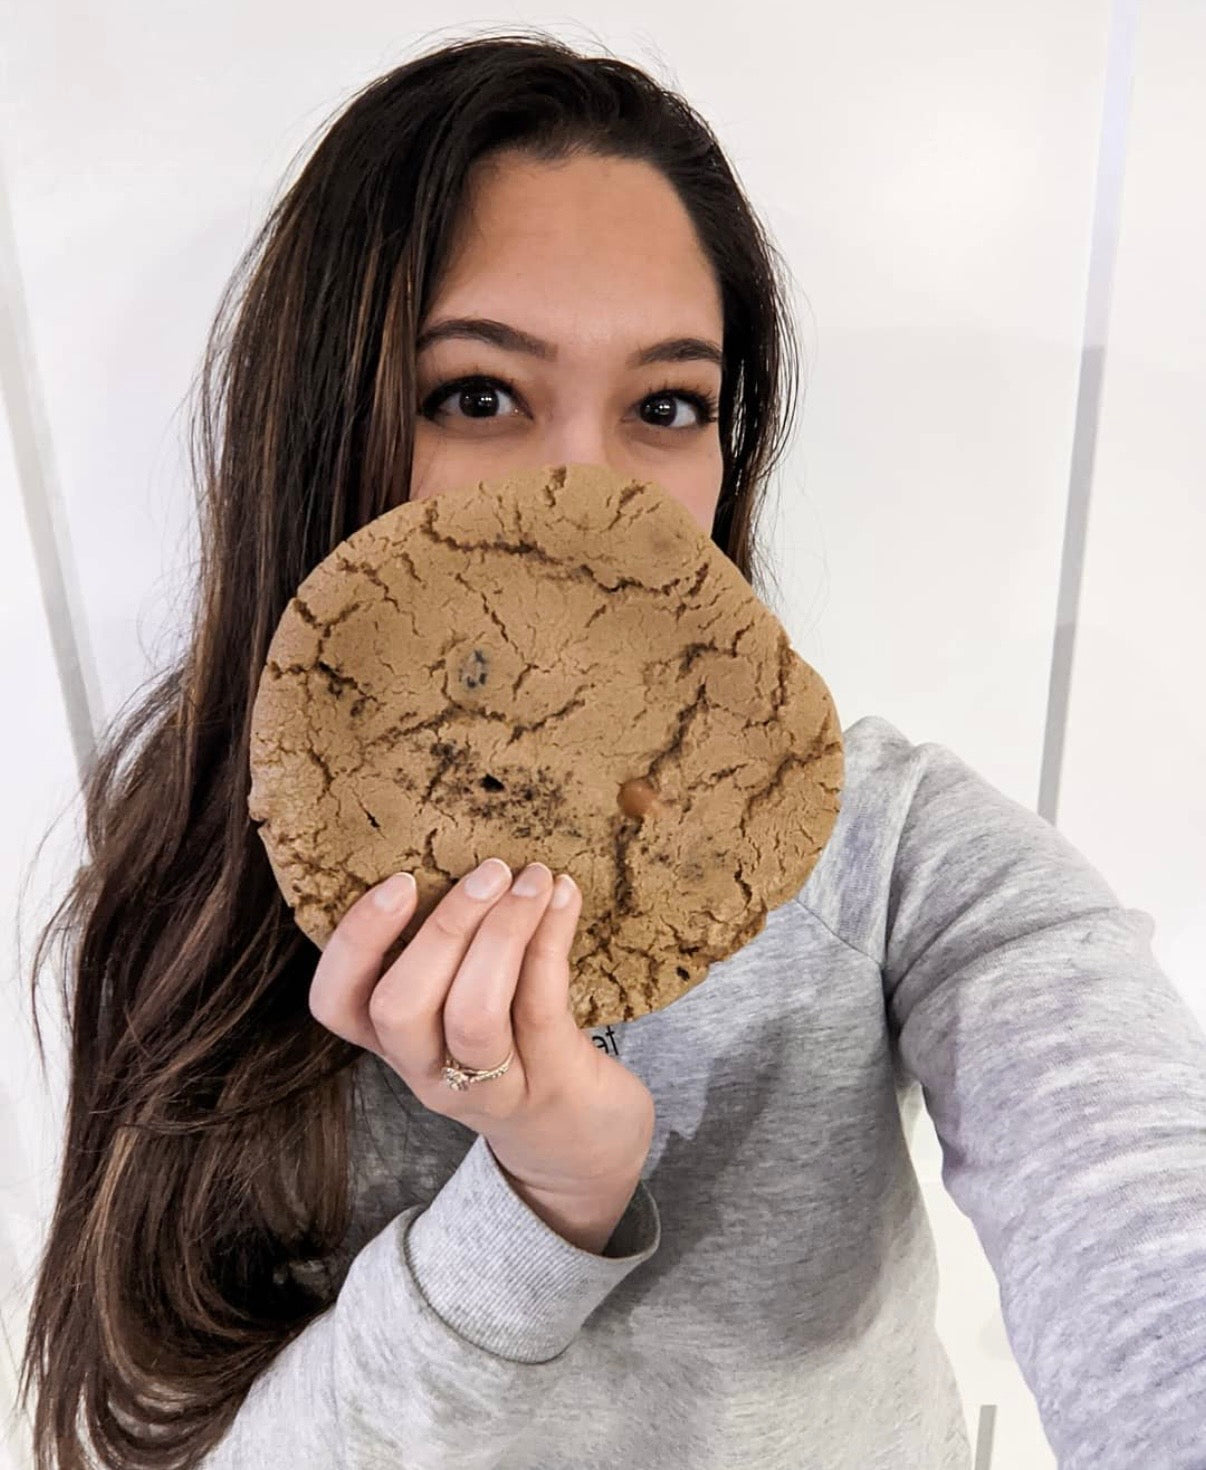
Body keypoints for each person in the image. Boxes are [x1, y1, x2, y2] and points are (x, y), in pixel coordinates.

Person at [15, 28, 1206, 1470]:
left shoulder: (892, 857)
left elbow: (1140, 1205)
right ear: (324, 424)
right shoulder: (197, 893)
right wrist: (541, 1197)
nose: (584, 494)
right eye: (477, 393)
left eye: (665, 406)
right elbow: (170, 1436)